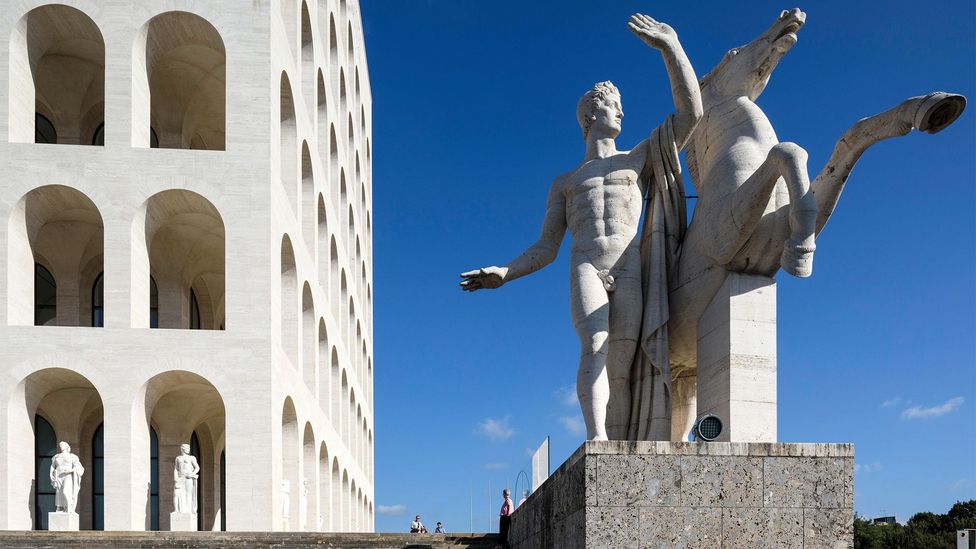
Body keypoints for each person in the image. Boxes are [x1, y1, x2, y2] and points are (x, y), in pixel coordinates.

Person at [461, 13, 703, 441]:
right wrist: (506, 271)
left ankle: (621, 447)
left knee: (624, 369)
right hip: (587, 265)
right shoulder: (566, 182)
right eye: (614, 105)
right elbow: (546, 247)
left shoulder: (638, 158)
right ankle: (597, 439)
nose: (622, 113)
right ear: (592, 113)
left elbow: (691, 115)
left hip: (629, 267)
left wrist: (672, 47)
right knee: (595, 344)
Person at [50, 441, 85, 513]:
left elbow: (79, 467)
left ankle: (69, 506)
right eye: (60, 445)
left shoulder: (72, 456)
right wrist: (51, 474)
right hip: (58, 475)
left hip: (68, 475)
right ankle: (60, 507)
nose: (61, 446)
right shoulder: (56, 456)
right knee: (59, 492)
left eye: (63, 445)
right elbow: (53, 466)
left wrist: (70, 470)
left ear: (67, 447)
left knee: (66, 490)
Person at [173, 443, 200, 514]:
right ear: (182, 449)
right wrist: (175, 477)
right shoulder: (178, 458)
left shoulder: (191, 458)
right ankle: (177, 510)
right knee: (177, 494)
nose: (189, 449)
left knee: (188, 493)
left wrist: (192, 474)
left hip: (188, 477)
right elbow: (176, 468)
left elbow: (197, 467)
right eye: (187, 448)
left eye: (189, 448)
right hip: (180, 477)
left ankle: (188, 510)